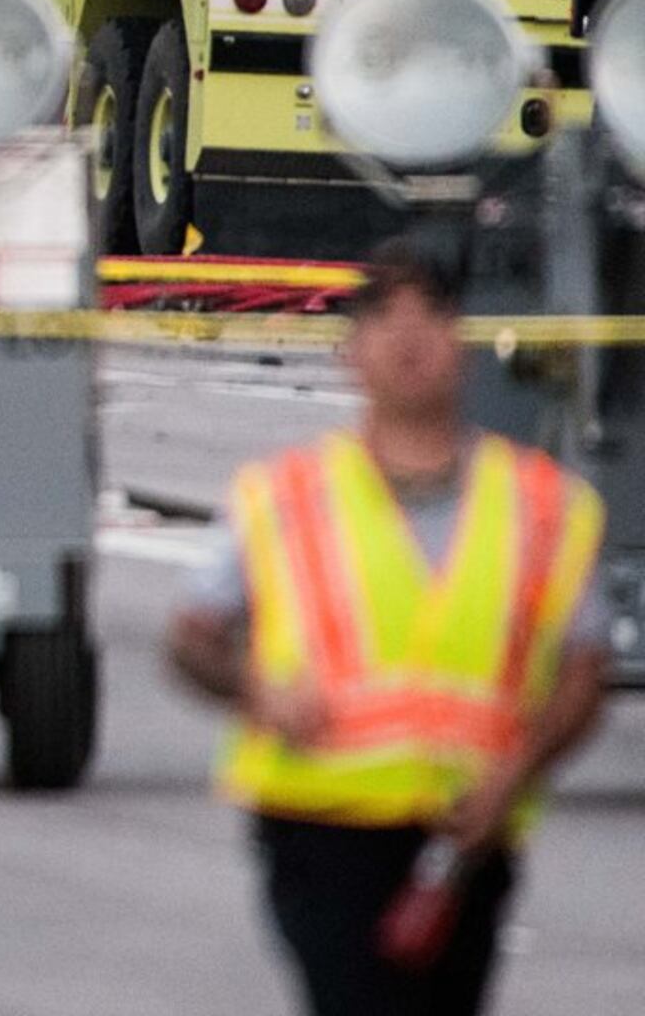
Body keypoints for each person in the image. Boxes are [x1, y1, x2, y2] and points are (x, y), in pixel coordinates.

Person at [164, 243, 609, 1016]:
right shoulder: (284, 496)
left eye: (430, 315)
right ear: (350, 352)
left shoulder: (541, 505)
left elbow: (583, 666)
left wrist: (518, 772)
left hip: (470, 832)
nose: (409, 338)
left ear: (462, 343)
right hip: (322, 825)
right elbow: (194, 636)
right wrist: (258, 692)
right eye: (384, 317)